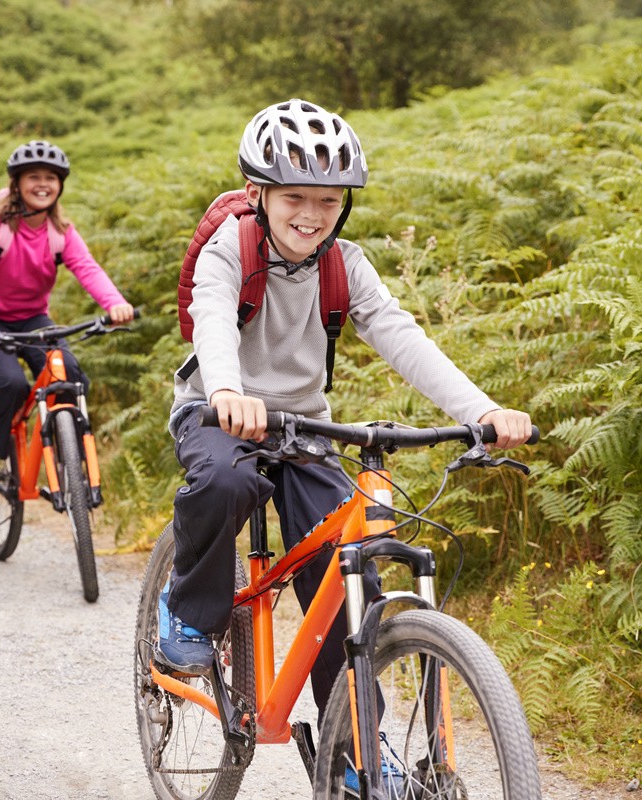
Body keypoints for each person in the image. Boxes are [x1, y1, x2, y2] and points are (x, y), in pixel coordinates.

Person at [160, 99, 532, 785]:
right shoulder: (230, 250)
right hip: (219, 412)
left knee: (344, 568)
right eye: (294, 197)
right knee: (228, 482)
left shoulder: (345, 265)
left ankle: (355, 751)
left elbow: (403, 339)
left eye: (328, 201)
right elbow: (211, 318)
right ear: (258, 195)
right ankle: (184, 609)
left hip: (303, 429)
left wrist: (483, 409)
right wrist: (225, 391)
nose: (310, 214)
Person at [0, 139, 134, 496]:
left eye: (51, 178)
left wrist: (115, 304)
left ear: (60, 185)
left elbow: (88, 269)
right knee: (11, 384)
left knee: (69, 374)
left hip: (34, 318)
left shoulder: (60, 232)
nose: (43, 184)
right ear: (17, 184)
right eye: (33, 177)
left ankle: (72, 457)